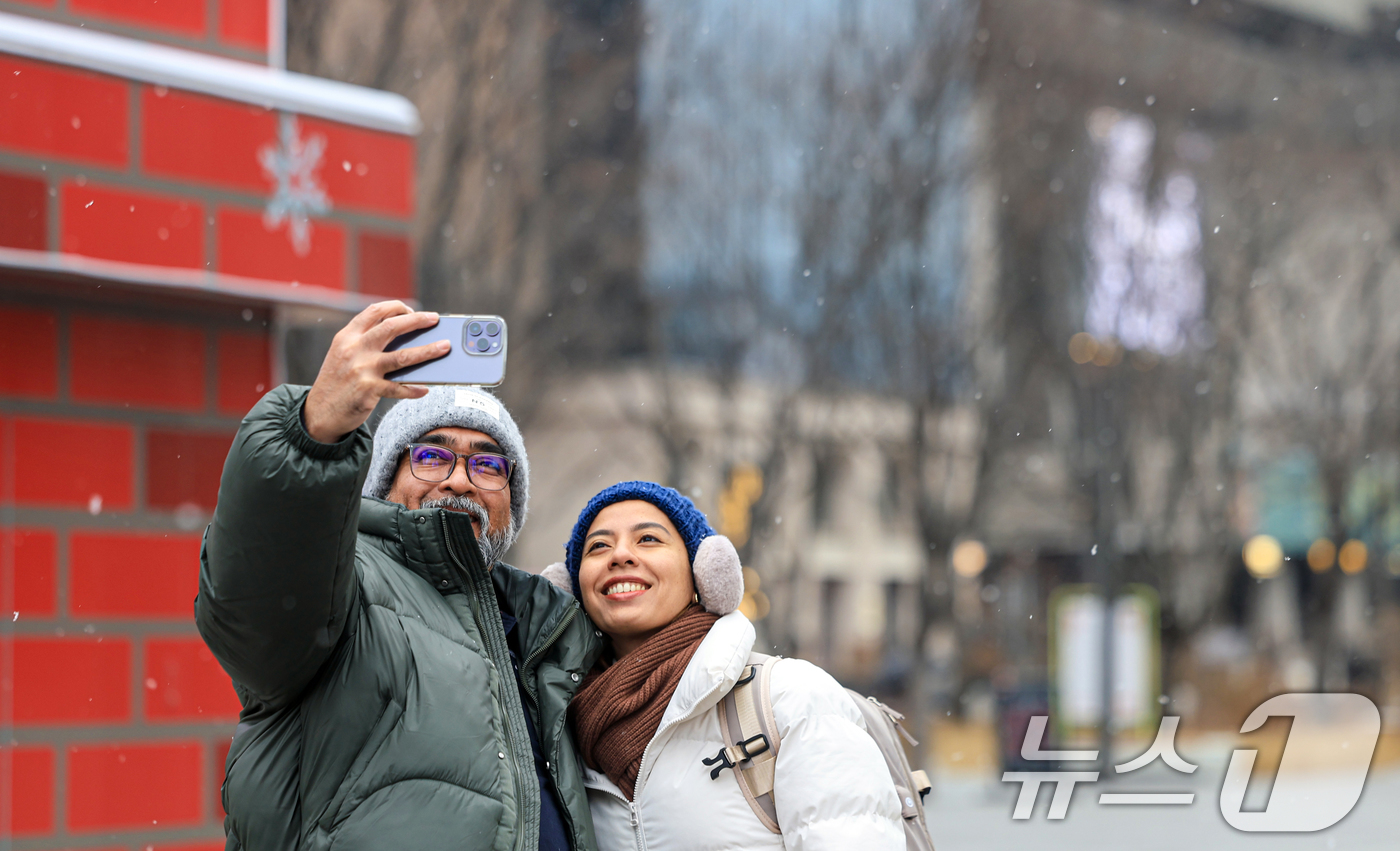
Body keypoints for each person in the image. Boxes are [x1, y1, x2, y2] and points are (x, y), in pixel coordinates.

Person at [196, 301, 602, 851]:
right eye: (432, 456)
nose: (460, 481)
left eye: (488, 465)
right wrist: (312, 434)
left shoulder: (548, 630)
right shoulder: (344, 587)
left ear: (512, 499)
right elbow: (259, 601)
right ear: (384, 480)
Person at [540, 481, 906, 851]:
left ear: (704, 572)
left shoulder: (791, 699)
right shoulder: (558, 728)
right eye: (599, 546)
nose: (620, 555)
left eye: (648, 539)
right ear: (572, 588)